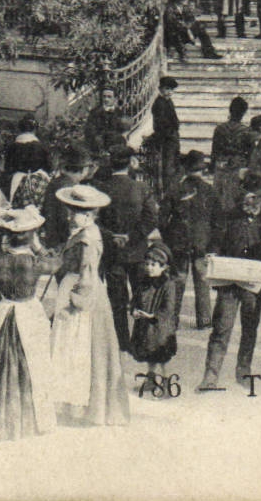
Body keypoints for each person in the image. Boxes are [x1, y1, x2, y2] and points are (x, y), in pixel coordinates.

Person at [0, 206, 57, 441]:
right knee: (31, 364)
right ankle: (28, 422)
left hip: (4, 310)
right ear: (30, 236)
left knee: (0, 363)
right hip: (28, 312)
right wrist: (39, 246)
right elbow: (55, 264)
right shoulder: (33, 263)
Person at [48, 184, 129, 425]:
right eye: (70, 211)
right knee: (73, 350)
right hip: (75, 287)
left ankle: (84, 408)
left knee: (81, 348)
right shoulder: (82, 233)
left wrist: (76, 301)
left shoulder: (88, 238)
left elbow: (88, 273)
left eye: (75, 212)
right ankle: (74, 406)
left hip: (84, 295)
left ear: (90, 214)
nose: (70, 216)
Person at [198, 177, 261, 392]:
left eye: (254, 197)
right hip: (229, 284)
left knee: (249, 329)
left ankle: (244, 372)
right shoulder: (228, 218)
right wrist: (212, 252)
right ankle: (210, 376)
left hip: (253, 285)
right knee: (221, 328)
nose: (249, 201)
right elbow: (216, 240)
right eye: (245, 196)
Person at [100, 143, 159, 353]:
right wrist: (133, 236)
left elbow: (95, 220)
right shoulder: (141, 188)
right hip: (137, 251)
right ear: (129, 164)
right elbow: (152, 217)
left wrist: (112, 236)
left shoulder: (101, 188)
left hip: (113, 252)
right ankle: (141, 339)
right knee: (141, 295)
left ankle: (122, 342)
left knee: (117, 299)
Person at [163, 150, 216, 329]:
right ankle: (205, 319)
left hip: (179, 243)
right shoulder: (210, 191)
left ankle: (172, 319)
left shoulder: (175, 189)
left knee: (177, 281)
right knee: (202, 282)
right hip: (202, 243)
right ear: (203, 170)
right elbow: (218, 221)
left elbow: (162, 219)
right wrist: (213, 245)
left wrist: (169, 238)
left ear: (185, 168)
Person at [129, 241, 182, 398]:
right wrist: (134, 310)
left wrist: (154, 316)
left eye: (154, 265)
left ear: (164, 267)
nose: (149, 267)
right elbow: (135, 299)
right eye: (148, 264)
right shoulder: (143, 282)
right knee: (149, 354)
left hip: (162, 328)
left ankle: (167, 384)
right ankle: (150, 379)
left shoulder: (168, 284)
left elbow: (169, 308)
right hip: (145, 326)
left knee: (162, 356)